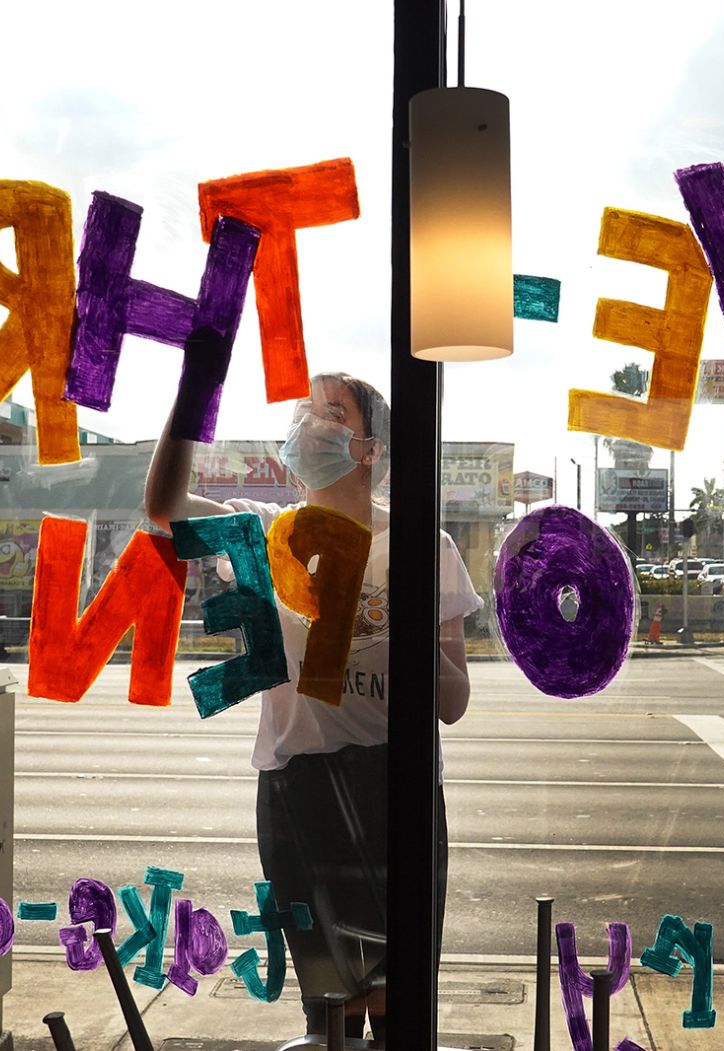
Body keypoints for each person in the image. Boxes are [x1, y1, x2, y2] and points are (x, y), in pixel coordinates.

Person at [144, 371, 480, 1043]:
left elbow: (453, 702)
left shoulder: (423, 547)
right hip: (297, 796)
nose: (307, 426)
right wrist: (190, 393)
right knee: (328, 1009)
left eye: (329, 414)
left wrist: (404, 632)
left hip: (396, 789)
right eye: (304, 414)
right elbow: (164, 506)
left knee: (397, 1005)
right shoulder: (271, 534)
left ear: (369, 448)